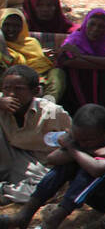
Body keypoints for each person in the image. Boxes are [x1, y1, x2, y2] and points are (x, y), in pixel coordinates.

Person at [1, 103, 105, 229]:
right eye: (77, 139)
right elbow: (52, 159)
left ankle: (50, 225)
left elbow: (97, 170)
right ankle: (24, 215)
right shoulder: (84, 141)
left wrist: (73, 148)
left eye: (87, 141)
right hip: (103, 197)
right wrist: (79, 148)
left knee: (88, 168)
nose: (82, 143)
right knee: (70, 162)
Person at [0, 64, 71, 204]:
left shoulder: (51, 112)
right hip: (9, 154)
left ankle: (5, 190)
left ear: (36, 91)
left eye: (18, 89)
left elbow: (73, 139)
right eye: (6, 88)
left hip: (39, 163)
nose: (11, 94)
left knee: (44, 192)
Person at [57, 8, 105, 114]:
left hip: (104, 99)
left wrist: (83, 57)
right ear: (85, 24)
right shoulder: (74, 39)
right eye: (92, 24)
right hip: (74, 100)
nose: (95, 29)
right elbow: (67, 60)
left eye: (101, 26)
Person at [1, 8, 64, 102]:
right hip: (12, 81)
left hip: (39, 80)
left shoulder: (32, 43)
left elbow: (41, 65)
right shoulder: (2, 46)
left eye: (16, 26)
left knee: (57, 73)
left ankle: (48, 102)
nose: (11, 29)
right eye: (6, 25)